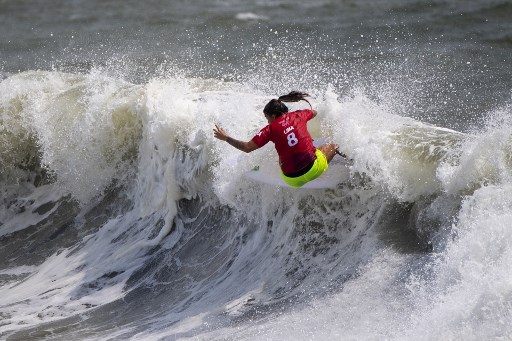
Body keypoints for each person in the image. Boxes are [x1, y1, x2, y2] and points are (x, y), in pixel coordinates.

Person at [213, 91, 343, 188]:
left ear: (273, 116)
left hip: (291, 179)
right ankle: (346, 158)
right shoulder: (298, 115)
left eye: (267, 117)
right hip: (313, 170)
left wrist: (226, 138)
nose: (267, 121)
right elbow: (314, 112)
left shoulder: (269, 129)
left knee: (280, 147)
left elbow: (247, 148)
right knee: (333, 145)